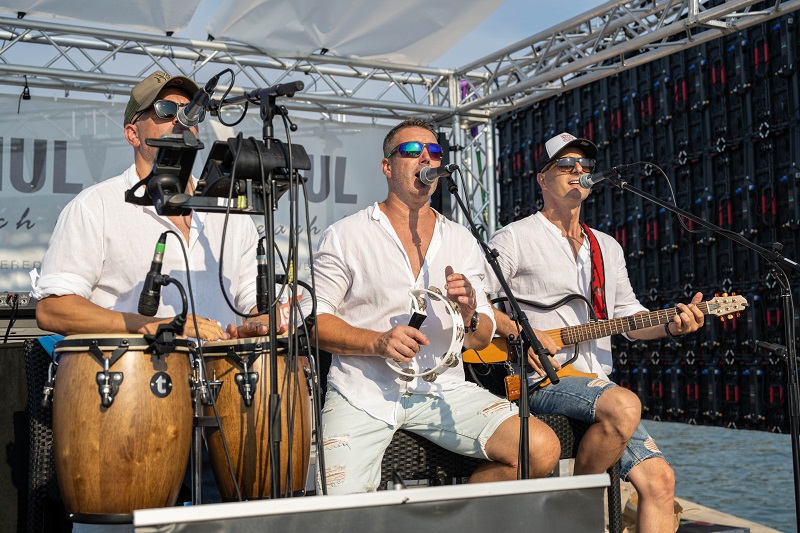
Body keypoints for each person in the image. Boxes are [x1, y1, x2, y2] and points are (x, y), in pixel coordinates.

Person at [302, 118, 561, 494]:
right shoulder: (346, 235)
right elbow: (312, 320)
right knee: (337, 501)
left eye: (434, 151)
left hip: (444, 391)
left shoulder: (461, 238)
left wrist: (472, 315)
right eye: (411, 151)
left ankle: (451, 519)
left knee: (540, 449)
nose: (426, 157)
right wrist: (376, 342)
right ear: (387, 166)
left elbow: (483, 334)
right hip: (364, 394)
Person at [486, 132, 705, 533]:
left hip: (595, 384)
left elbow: (630, 317)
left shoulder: (606, 246)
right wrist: (524, 335)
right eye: (566, 165)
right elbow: (478, 307)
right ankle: (575, 508)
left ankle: (571, 508)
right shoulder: (514, 237)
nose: (578, 172)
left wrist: (673, 325)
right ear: (542, 178)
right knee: (622, 405)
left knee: (660, 483)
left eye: (585, 167)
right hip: (535, 379)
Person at [32, 70, 279, 341]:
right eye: (165, 110)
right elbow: (53, 310)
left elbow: (253, 301)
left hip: (219, 379)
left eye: (191, 111)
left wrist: (260, 323)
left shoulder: (229, 209)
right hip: (133, 379)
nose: (181, 119)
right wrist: (153, 325)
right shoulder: (95, 207)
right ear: (132, 134)